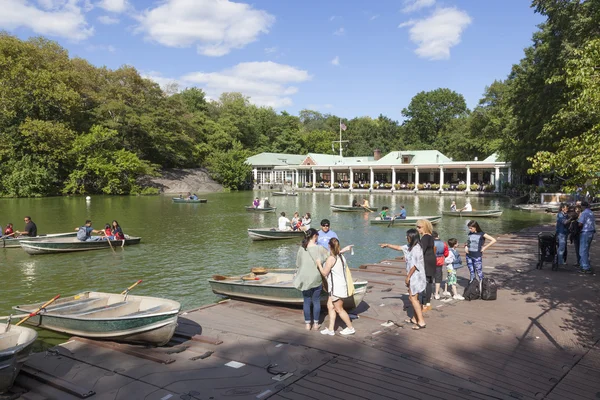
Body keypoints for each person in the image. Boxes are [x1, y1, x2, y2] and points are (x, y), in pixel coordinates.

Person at [380, 229, 426, 330]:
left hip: (416, 276)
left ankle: (421, 322)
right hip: (413, 275)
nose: (406, 237)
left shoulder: (416, 248)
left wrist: (408, 277)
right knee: (412, 297)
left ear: (412, 237)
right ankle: (414, 318)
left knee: (413, 298)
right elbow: (399, 247)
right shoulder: (410, 247)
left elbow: (415, 265)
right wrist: (387, 245)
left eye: (407, 236)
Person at [317, 238, 356, 336]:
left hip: (336, 288)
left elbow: (325, 273)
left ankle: (350, 328)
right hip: (338, 286)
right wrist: (346, 249)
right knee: (330, 306)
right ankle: (331, 329)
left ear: (329, 246)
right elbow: (338, 252)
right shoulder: (340, 256)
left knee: (339, 309)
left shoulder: (331, 259)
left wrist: (319, 265)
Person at [293, 228, 329, 331]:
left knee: (306, 301)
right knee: (316, 301)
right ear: (314, 236)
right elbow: (329, 257)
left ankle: (307, 324)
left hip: (304, 278)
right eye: (317, 236)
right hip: (316, 277)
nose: (318, 238)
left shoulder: (301, 248)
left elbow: (298, 264)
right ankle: (316, 324)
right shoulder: (320, 248)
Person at [416, 219, 436, 312]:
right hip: (431, 260)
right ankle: (427, 303)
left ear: (424, 227)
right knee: (429, 281)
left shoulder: (424, 237)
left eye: (419, 227)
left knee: (426, 282)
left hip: (426, 261)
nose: (418, 229)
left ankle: (424, 303)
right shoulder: (430, 236)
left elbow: (421, 251)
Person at [578, 201, 596, 274]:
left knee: (583, 250)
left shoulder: (584, 213)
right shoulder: (591, 212)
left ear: (582, 206)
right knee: (586, 249)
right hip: (591, 232)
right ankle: (585, 264)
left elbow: (580, 224)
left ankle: (585, 267)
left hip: (585, 232)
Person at [433, 231, 449, 300]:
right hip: (439, 261)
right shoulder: (444, 244)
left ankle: (428, 293)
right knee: (438, 278)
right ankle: (436, 293)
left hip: (430, 261)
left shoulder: (430, 243)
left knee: (429, 277)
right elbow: (446, 254)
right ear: (438, 236)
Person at [555, 203, 570, 267]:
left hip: (565, 233)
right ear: (562, 208)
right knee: (561, 247)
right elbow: (564, 222)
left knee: (563, 247)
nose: (567, 209)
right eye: (566, 208)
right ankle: (559, 261)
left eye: (568, 208)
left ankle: (561, 260)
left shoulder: (566, 215)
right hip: (561, 233)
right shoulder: (560, 215)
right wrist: (571, 218)